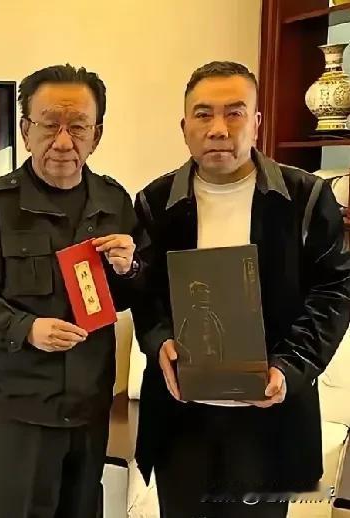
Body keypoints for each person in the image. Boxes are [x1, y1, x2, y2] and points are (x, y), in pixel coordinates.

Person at [132, 61, 350, 518]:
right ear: (184, 127)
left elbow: (334, 290)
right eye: (203, 114)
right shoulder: (155, 202)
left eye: (234, 113)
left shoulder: (306, 197)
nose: (218, 128)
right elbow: (144, 292)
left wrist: (290, 367)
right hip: (181, 417)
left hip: (268, 417)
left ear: (256, 122)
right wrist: (159, 340)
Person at [0, 64, 144, 518]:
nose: (63, 142)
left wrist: (130, 268)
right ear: (26, 131)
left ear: (96, 134)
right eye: (49, 125)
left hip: (90, 405)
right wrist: (24, 328)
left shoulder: (114, 202)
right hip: (22, 409)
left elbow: (130, 296)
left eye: (78, 127)